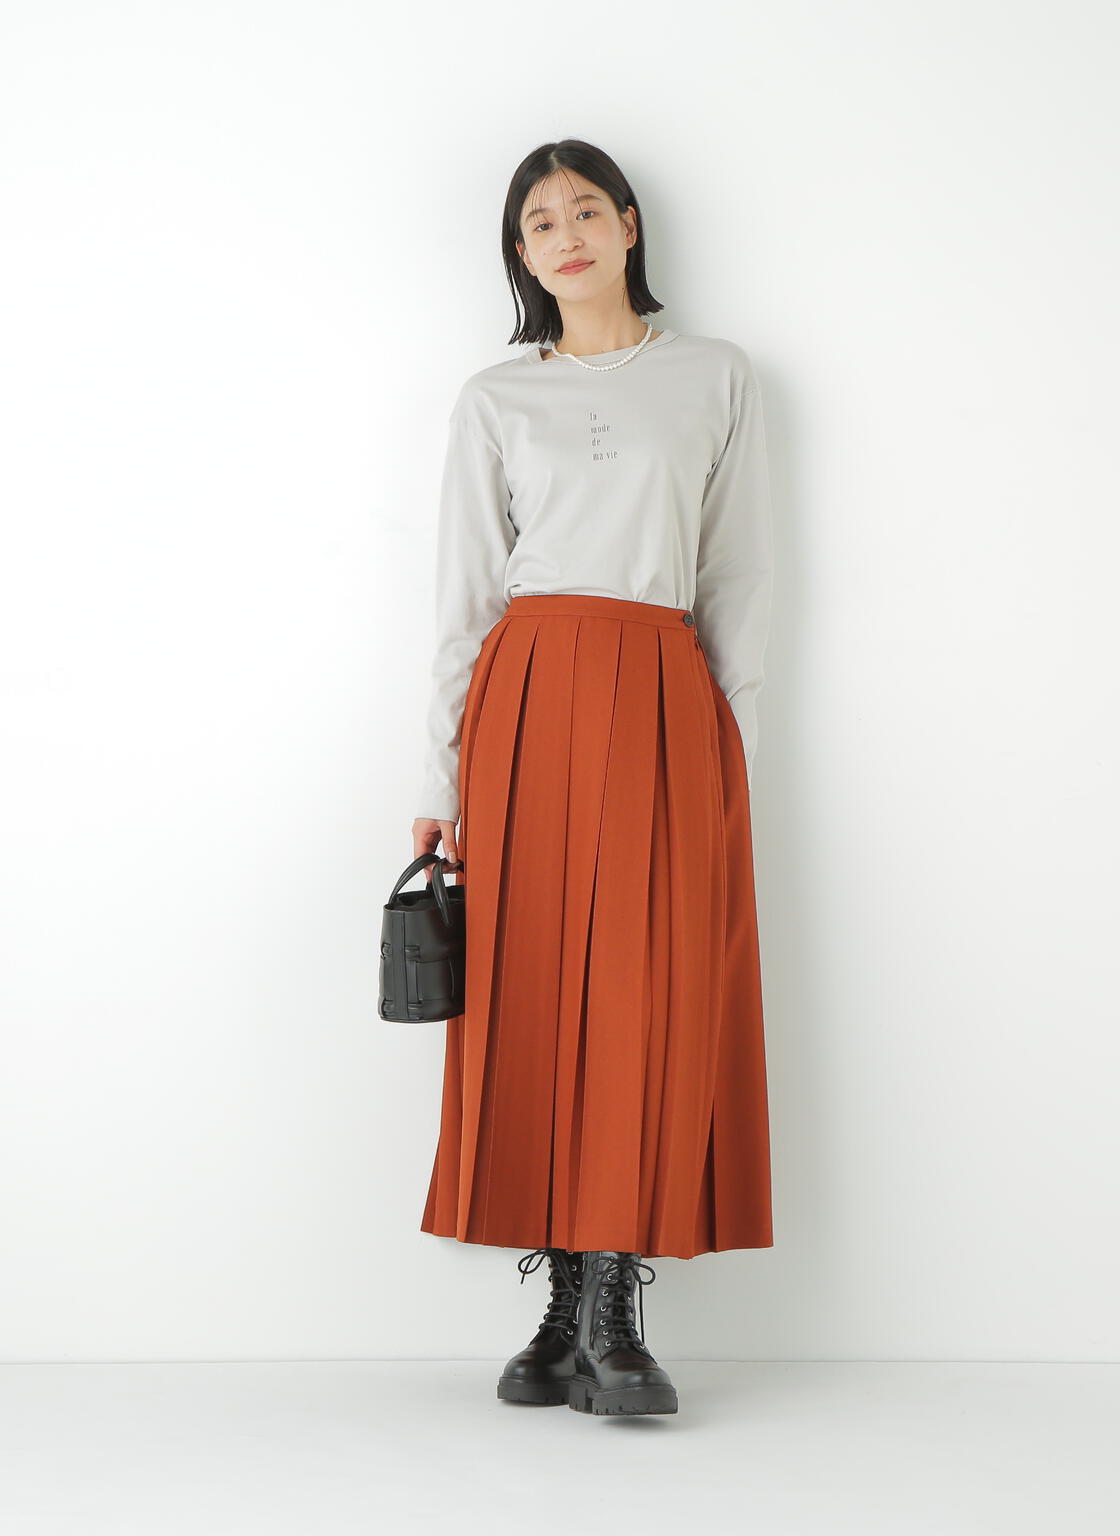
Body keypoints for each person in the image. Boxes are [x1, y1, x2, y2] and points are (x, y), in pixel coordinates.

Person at [411, 139, 775, 1418]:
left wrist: (727, 749)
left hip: (665, 691)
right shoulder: (494, 398)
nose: (562, 236)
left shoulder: (715, 377)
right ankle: (565, 1306)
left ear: (627, 224)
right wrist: (440, 776)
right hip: (523, 699)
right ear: (519, 255)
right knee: (526, 990)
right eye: (536, 224)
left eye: (582, 211)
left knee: (643, 993)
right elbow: (463, 594)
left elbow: (739, 574)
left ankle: (616, 1303)